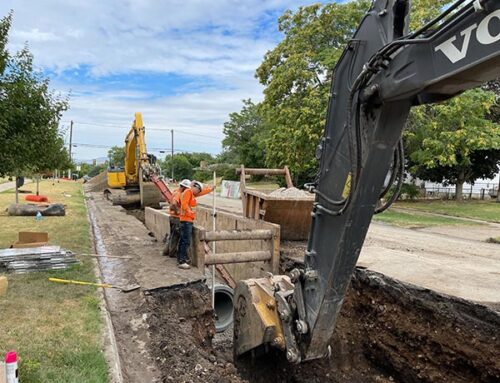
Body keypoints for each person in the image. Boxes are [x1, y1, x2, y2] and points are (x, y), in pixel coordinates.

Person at [177, 180, 214, 269]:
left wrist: (210, 189)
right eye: (198, 190)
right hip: (186, 220)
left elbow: (202, 193)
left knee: (184, 240)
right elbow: (184, 204)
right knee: (185, 241)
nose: (198, 193)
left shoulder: (192, 193)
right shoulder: (188, 192)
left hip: (187, 219)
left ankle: (182, 258)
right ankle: (182, 261)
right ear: (195, 187)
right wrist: (190, 213)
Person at [162, 179, 191, 258]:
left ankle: (166, 251)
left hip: (172, 217)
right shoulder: (178, 194)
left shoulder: (175, 191)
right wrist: (178, 212)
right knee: (176, 236)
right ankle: (172, 253)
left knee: (172, 235)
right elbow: (174, 203)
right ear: (184, 187)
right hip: (176, 218)